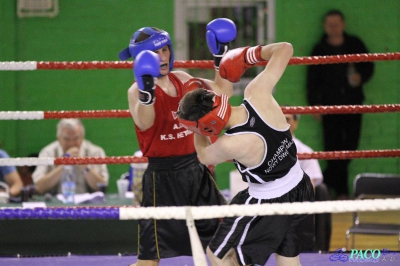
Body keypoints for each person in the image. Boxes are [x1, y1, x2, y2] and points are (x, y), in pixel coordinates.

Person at [177, 43, 315, 266]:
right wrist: (248, 56)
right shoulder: (257, 91)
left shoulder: (230, 144)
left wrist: (195, 129)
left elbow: (203, 155)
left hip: (265, 201)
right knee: (288, 259)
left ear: (206, 125)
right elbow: (286, 49)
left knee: (218, 255)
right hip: (300, 186)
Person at [118, 18, 235, 266]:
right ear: (141, 58)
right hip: (162, 178)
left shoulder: (182, 79)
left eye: (165, 50)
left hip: (196, 171)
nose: (162, 57)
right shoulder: (134, 91)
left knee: (224, 248)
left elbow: (223, 94)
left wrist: (221, 56)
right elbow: (145, 122)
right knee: (149, 261)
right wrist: (146, 92)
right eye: (154, 53)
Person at [306, 9, 375, 199]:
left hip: (353, 105)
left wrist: (360, 76)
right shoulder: (319, 50)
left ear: (343, 24)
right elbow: (312, 81)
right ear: (324, 27)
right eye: (330, 24)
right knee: (333, 150)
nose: (333, 28)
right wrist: (314, 104)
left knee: (350, 149)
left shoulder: (355, 44)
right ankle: (341, 192)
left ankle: (323, 183)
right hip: (329, 108)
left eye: (336, 24)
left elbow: (369, 65)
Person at [285, 113, 331, 252]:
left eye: (287, 119)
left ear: (295, 123)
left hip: (296, 202)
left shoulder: (305, 151)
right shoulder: (263, 149)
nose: (283, 122)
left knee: (320, 191)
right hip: (269, 201)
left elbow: (310, 184)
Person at [32, 118, 109, 195]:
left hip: (89, 205)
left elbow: (103, 187)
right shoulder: (47, 152)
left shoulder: (95, 152)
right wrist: (64, 164)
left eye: (76, 138)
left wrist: (84, 166)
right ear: (58, 139)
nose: (71, 143)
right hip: (55, 204)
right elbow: (39, 187)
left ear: (82, 138)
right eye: (66, 139)